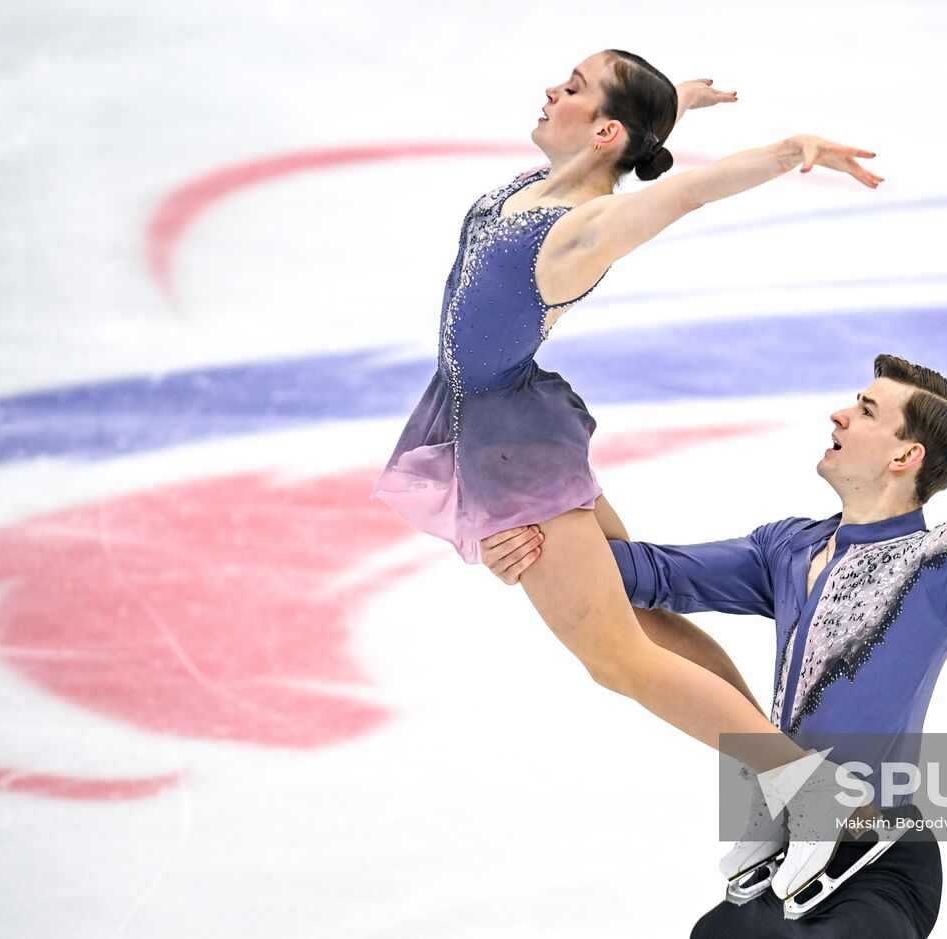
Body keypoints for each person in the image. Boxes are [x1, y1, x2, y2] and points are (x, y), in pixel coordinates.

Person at [479, 270, 947, 934]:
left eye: (866, 409)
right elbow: (635, 576)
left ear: (905, 456)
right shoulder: (787, 549)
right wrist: (533, 532)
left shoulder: (946, 561)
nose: (840, 415)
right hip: (785, 853)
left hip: (880, 859)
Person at [369, 48, 886, 892]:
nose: (549, 89)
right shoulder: (539, 184)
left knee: (617, 657)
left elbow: (683, 190)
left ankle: (816, 799)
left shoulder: (581, 226)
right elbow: (633, 141)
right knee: (637, 607)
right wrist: (670, 102)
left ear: (604, 130)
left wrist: (790, 149)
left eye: (570, 88)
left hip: (510, 442)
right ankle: (778, 785)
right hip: (508, 424)